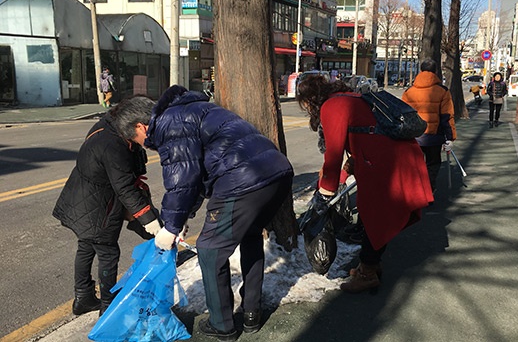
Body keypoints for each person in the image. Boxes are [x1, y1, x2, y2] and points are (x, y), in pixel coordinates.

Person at [115, 86, 294, 341]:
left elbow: (182, 180)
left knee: (210, 250)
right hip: (276, 174)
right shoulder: (190, 110)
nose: (142, 145)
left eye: (135, 140)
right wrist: (183, 218)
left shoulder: (169, 124)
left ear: (141, 127)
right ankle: (252, 311)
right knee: (251, 235)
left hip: (242, 181)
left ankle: (223, 325)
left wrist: (170, 228)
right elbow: (196, 177)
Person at [296, 76, 433, 294]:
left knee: (375, 218)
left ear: (310, 99)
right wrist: (340, 178)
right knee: (378, 216)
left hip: (386, 165)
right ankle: (370, 264)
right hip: (399, 158)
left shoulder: (332, 106)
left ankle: (368, 273)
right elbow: (364, 137)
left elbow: (333, 154)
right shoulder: (351, 97)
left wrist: (325, 192)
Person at [52, 97, 162, 317]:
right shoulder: (112, 145)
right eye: (152, 131)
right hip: (98, 205)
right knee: (108, 252)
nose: (153, 139)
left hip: (82, 196)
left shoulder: (114, 125)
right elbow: (126, 189)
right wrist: (151, 222)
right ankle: (109, 308)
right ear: (140, 126)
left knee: (86, 245)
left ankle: (83, 297)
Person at [401, 58, 457, 194]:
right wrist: (450, 137)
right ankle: (429, 190)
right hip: (434, 136)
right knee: (432, 164)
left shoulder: (409, 91)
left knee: (415, 164)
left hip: (414, 136)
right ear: (435, 71)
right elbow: (446, 116)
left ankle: (416, 190)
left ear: (420, 70)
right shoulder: (442, 91)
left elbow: (403, 115)